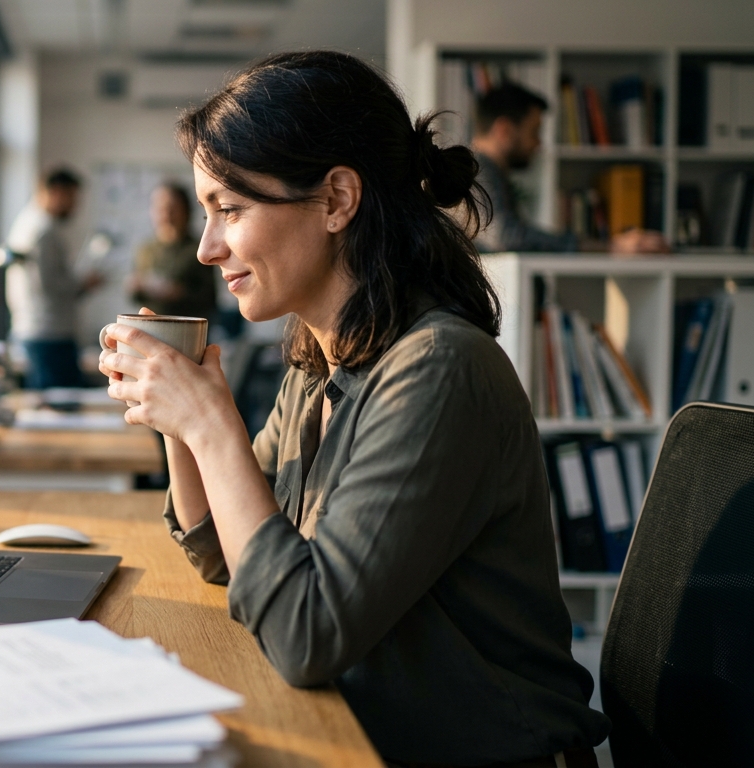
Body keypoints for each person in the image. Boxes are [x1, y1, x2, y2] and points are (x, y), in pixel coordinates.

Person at [100, 52, 608, 767]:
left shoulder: (437, 370)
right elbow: (234, 561)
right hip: (368, 731)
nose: (209, 249)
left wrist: (212, 427)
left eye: (231, 209)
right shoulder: (324, 354)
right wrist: (181, 425)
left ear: (337, 199)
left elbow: (305, 633)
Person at [472, 83, 668, 254]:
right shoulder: (475, 171)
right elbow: (505, 236)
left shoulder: (482, 170)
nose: (538, 144)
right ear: (504, 130)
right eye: (534, 132)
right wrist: (608, 247)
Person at [5, 167, 103, 389]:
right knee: (57, 406)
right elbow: (49, 286)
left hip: (34, 329)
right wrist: (84, 284)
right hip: (49, 333)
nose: (75, 206)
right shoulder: (43, 231)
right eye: (72, 198)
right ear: (56, 192)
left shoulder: (26, 221)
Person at [127, 183, 217, 320]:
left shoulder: (199, 249)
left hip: (188, 330)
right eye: (159, 208)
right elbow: (136, 298)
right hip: (151, 326)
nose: (166, 215)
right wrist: (135, 287)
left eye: (172, 208)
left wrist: (180, 293)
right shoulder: (146, 250)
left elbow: (210, 299)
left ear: (185, 211)